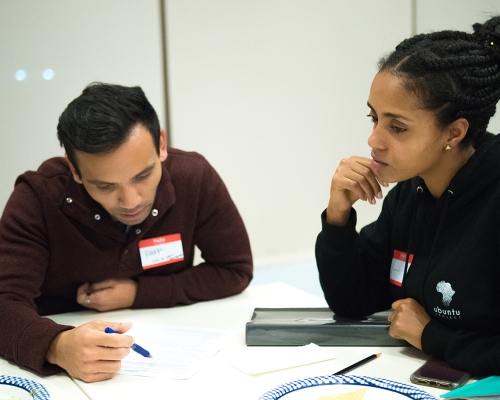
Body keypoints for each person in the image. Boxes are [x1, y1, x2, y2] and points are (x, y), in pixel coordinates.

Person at [0, 83, 253, 382]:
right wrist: (57, 345)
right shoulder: (38, 197)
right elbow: (5, 302)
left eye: (143, 175)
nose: (131, 201)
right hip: (60, 373)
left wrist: (136, 293)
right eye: (105, 186)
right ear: (75, 170)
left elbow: (234, 269)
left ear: (161, 144)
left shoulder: (193, 178)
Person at [316, 16, 500, 376]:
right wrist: (338, 216)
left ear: (454, 132)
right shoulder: (410, 192)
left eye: (397, 127)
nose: (374, 140)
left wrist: (432, 336)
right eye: (374, 118)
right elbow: (352, 301)